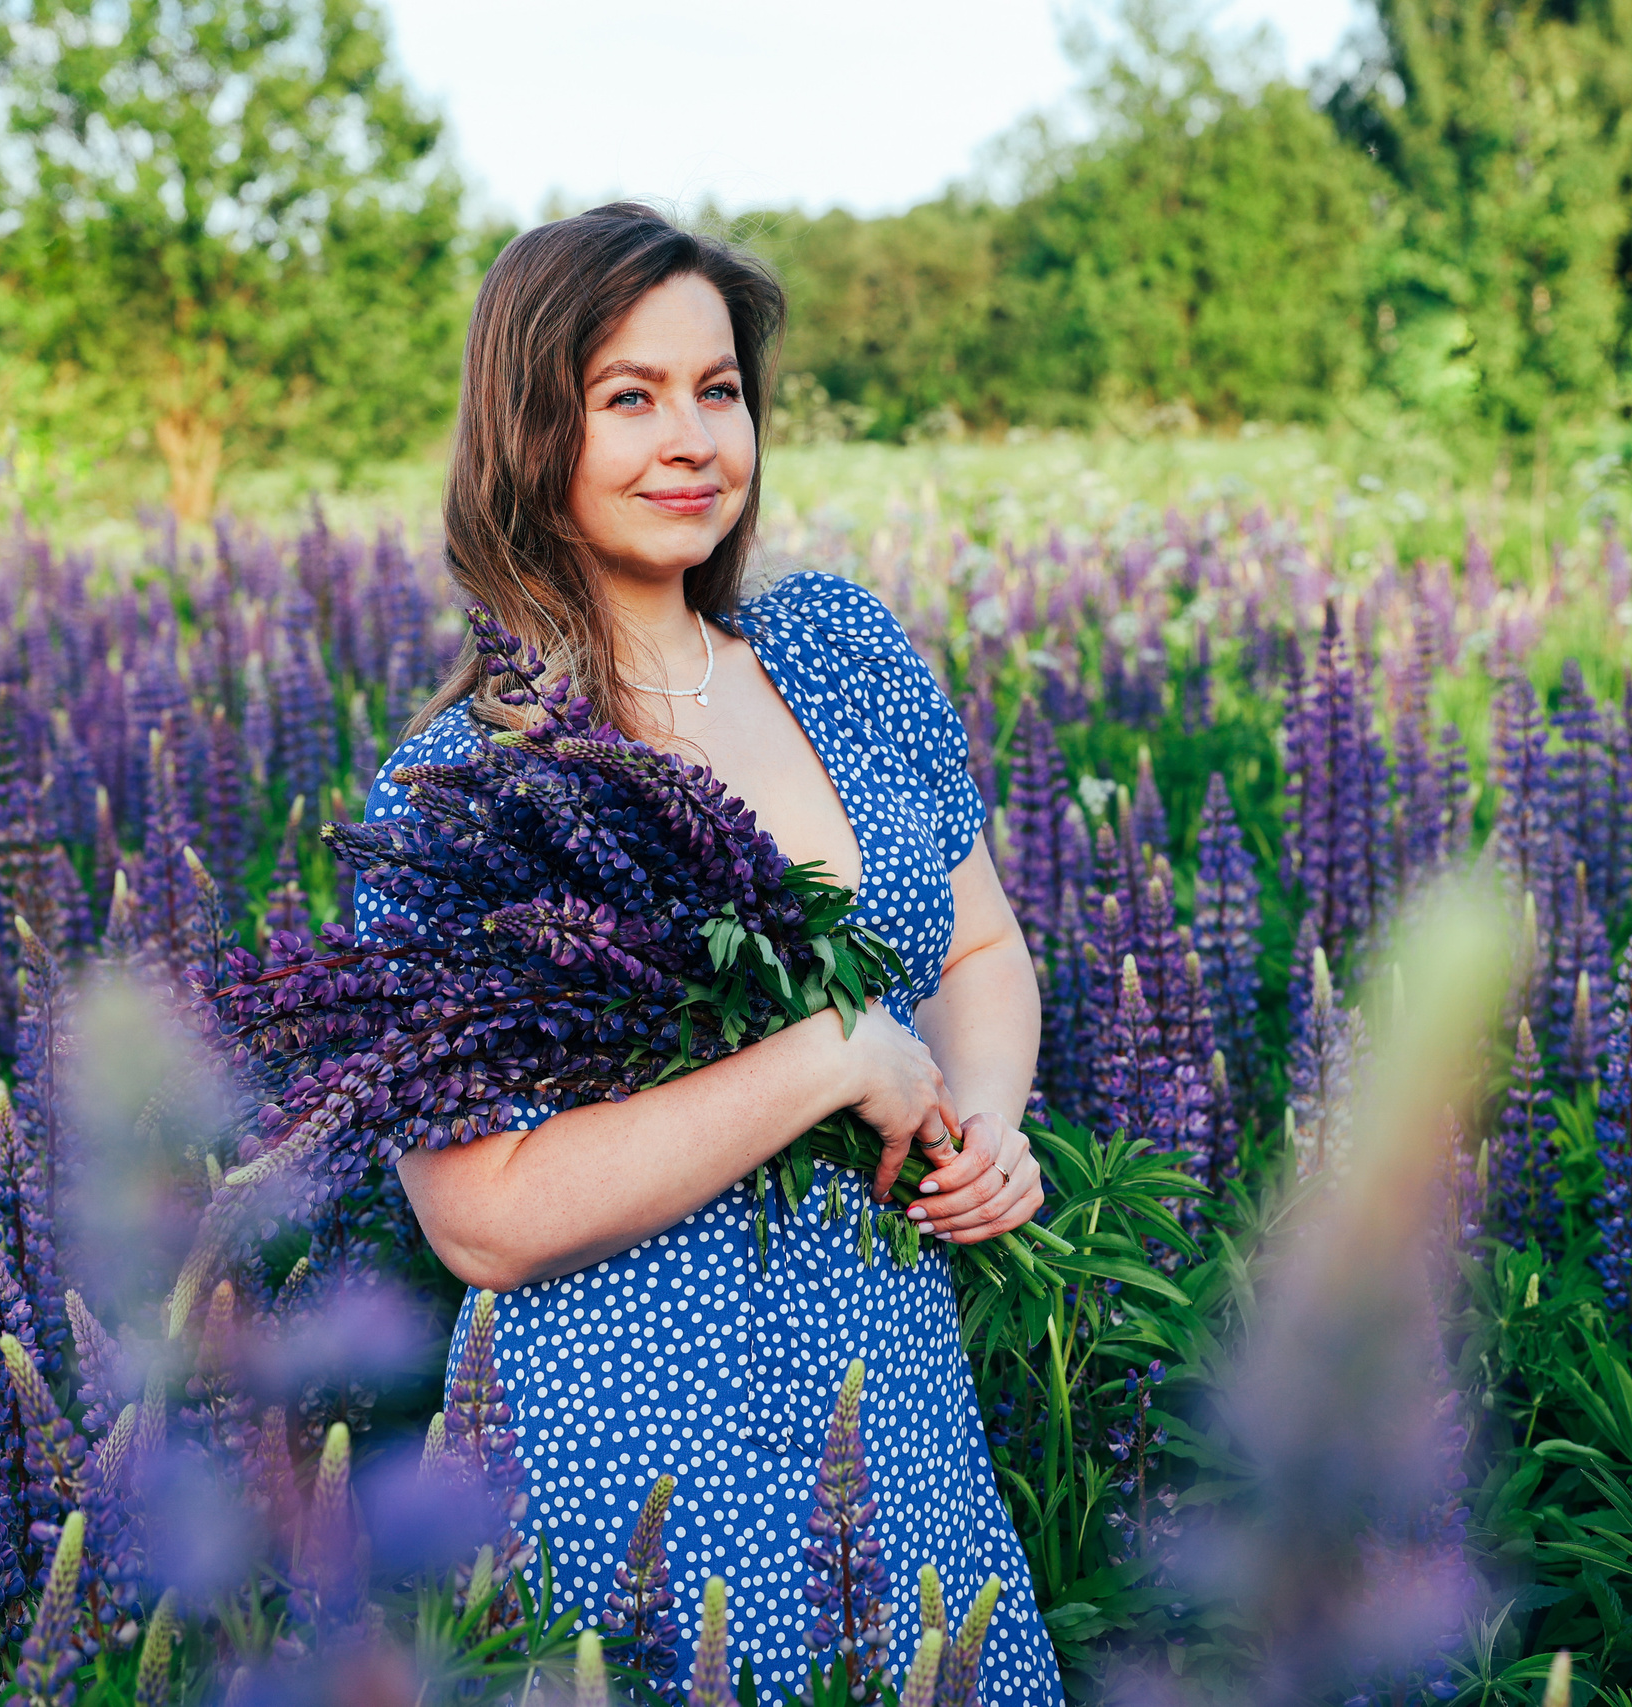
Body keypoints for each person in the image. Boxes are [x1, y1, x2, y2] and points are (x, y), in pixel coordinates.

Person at [359, 202, 1057, 1701]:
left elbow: (982, 945)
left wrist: (986, 1116)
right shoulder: (464, 790)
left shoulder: (835, 649)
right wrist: (828, 1058)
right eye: (629, 397)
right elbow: (482, 1218)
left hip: (894, 1398)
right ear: (528, 426)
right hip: (637, 1453)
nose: (691, 440)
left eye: (718, 390)